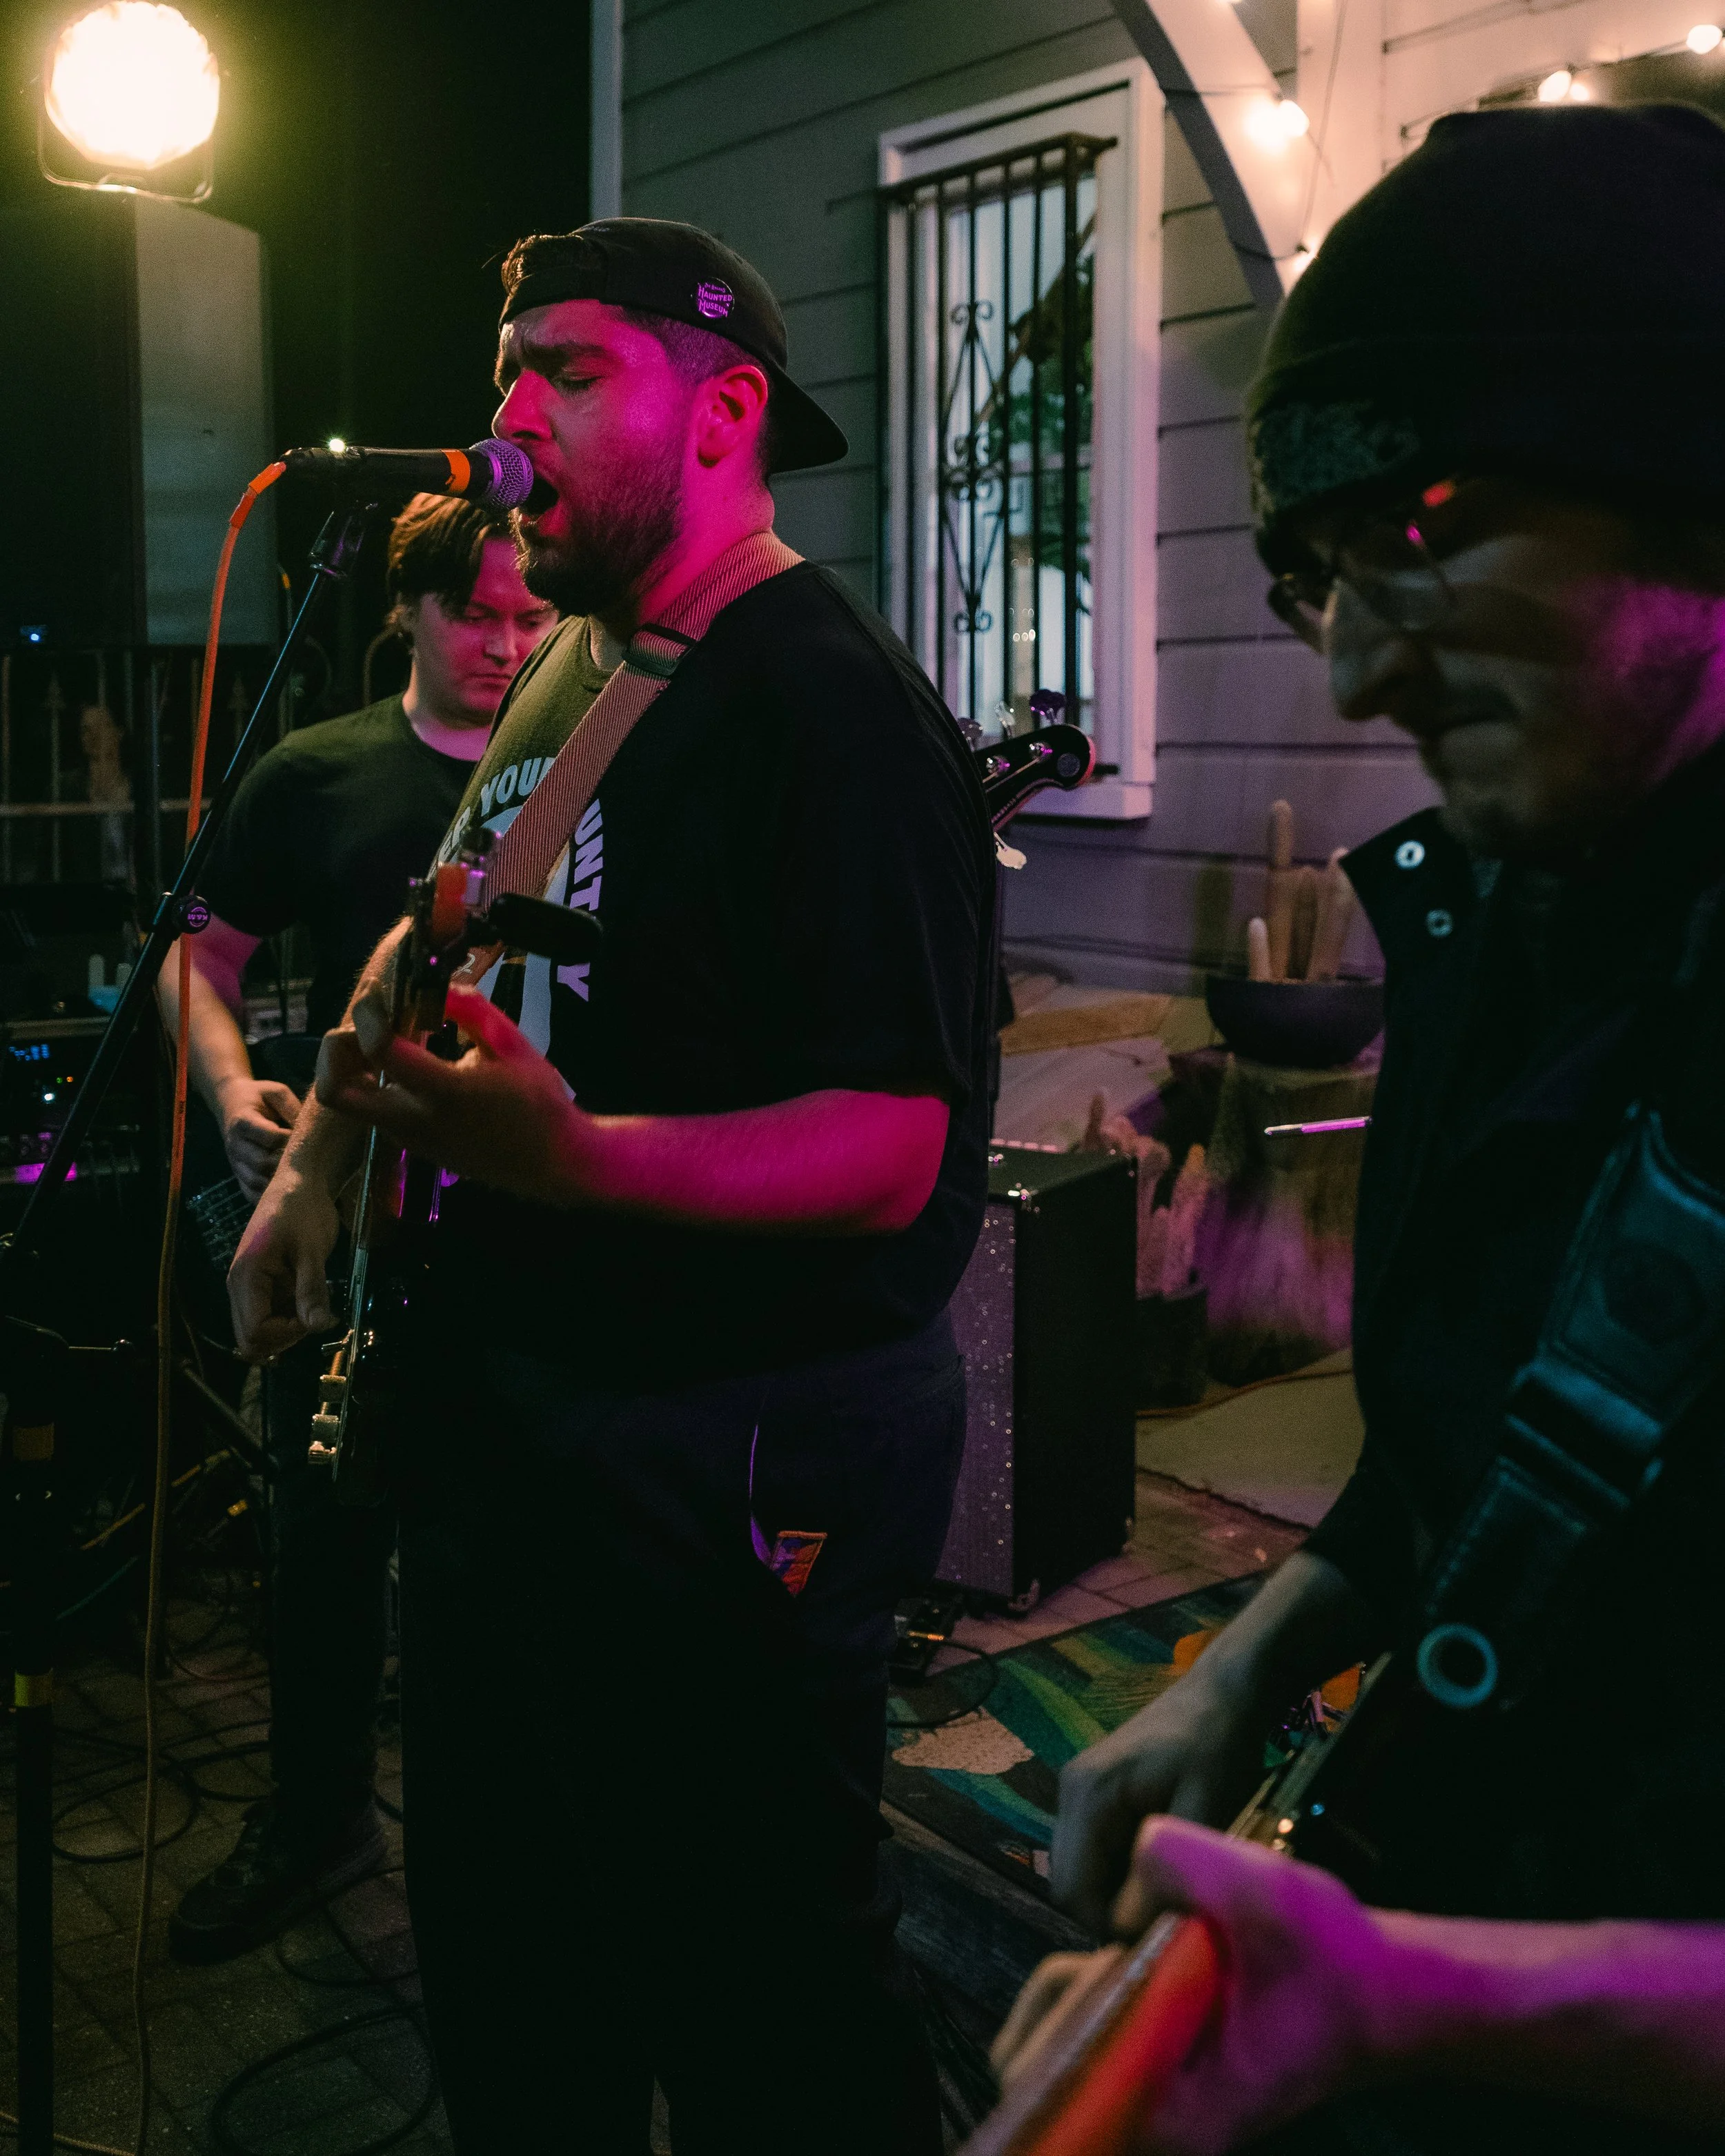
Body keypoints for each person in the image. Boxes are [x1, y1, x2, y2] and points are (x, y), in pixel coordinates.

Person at [228, 217, 994, 2154]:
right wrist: (317, 1155)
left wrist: (568, 1158)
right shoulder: (583, 664)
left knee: (761, 1999)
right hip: (524, 1447)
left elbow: (898, 1138)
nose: (506, 418)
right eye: (506, 376)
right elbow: (449, 927)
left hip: (723, 1464)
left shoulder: (829, 705)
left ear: (723, 408)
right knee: (514, 1972)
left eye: (567, 371)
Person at [1007, 104, 1725, 2154]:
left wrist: (1425, 2006)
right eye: (1308, 574)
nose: (1342, 661)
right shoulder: (1516, 902)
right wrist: (1240, 1666)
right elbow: (1475, 1445)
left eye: (1412, 526)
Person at [161, 493, 558, 1963]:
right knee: (321, 1536)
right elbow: (195, 956)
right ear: (415, 611)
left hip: (522, 1226)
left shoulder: (570, 772)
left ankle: (513, 1844)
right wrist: (228, 1089)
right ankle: (317, 1807)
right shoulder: (318, 773)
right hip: (353, 1205)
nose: (506, 647)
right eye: (480, 617)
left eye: (532, 621)